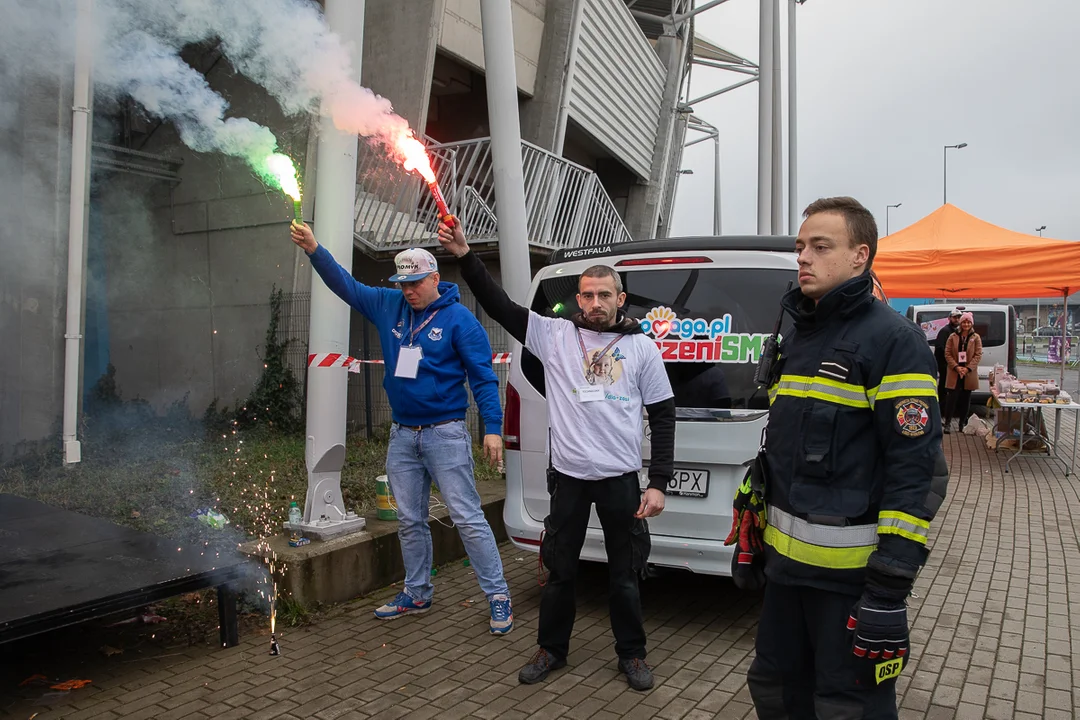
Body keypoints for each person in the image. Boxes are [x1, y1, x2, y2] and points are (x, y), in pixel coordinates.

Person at [436, 219, 676, 692]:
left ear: (619, 299)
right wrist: (466, 256)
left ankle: (632, 655)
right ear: (577, 298)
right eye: (586, 295)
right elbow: (499, 305)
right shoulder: (553, 334)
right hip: (567, 478)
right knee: (560, 571)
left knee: (625, 575)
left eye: (604, 295)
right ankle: (552, 649)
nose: (594, 303)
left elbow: (664, 415)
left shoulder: (642, 349)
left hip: (620, 481)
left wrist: (658, 482)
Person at [737, 197, 948, 719]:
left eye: (820, 247)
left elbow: (916, 471)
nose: (803, 257)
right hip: (786, 578)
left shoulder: (894, 342)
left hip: (851, 586)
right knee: (774, 689)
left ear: (860, 256)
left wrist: (889, 589)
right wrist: (755, 516)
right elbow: (787, 448)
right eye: (801, 246)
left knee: (846, 708)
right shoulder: (796, 333)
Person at [289, 221, 514, 635]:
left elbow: (483, 377)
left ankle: (498, 595)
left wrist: (492, 428)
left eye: (414, 283)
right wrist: (315, 249)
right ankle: (417, 592)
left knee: (467, 516)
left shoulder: (460, 320)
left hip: (446, 433)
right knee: (409, 520)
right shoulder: (388, 305)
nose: (407, 291)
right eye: (401, 284)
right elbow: (346, 286)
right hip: (402, 435)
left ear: (434, 278)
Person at [943, 312, 982, 434]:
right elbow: (947, 353)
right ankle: (948, 423)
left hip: (968, 373)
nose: (966, 324)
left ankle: (962, 424)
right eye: (964, 322)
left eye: (968, 322)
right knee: (951, 399)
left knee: (966, 399)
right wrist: (956, 367)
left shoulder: (976, 337)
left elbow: (978, 354)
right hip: (955, 372)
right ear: (960, 323)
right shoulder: (952, 336)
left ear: (971, 324)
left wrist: (967, 368)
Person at [933, 309, 962, 403]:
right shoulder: (945, 331)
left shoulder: (959, 331)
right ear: (949, 318)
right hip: (945, 365)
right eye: (954, 317)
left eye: (959, 317)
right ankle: (941, 407)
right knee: (944, 386)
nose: (957, 319)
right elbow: (940, 347)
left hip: (954, 364)